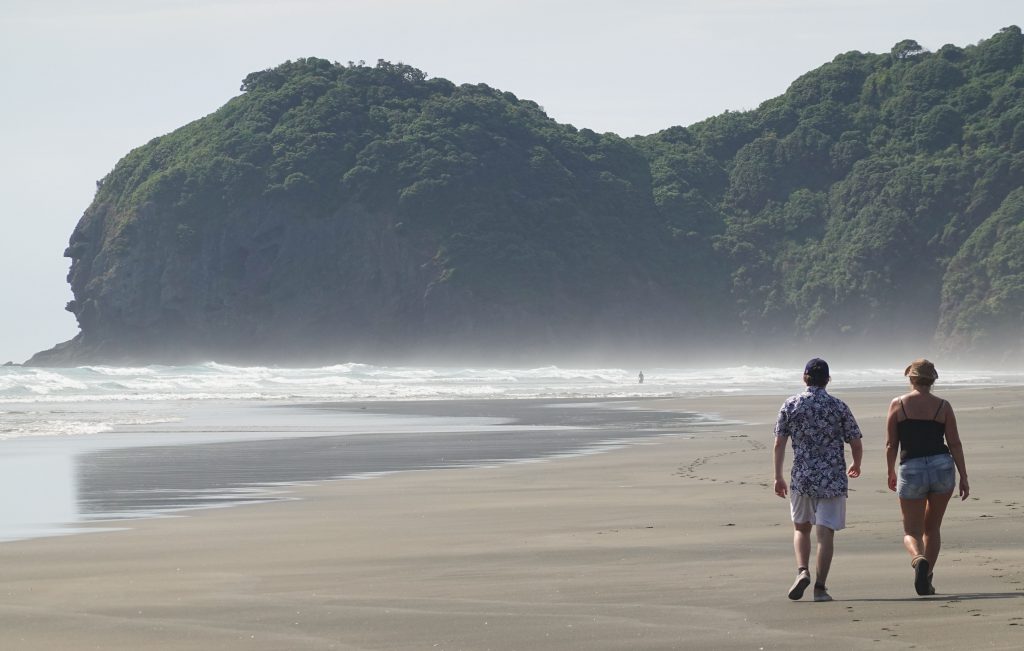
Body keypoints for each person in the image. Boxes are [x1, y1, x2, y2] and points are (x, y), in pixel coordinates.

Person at [773, 358, 863, 602]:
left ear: (805, 377)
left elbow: (779, 443)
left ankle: (802, 571)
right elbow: (855, 441)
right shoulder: (838, 406)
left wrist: (778, 476)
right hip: (832, 477)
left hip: (802, 476)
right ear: (828, 380)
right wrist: (856, 463)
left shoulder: (791, 404)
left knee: (801, 528)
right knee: (826, 534)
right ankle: (820, 588)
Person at [885, 359, 969, 596]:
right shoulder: (943, 406)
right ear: (932, 381)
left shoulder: (898, 404)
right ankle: (927, 578)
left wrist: (890, 471)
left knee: (911, 531)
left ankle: (918, 559)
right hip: (942, 466)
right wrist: (963, 476)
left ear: (911, 379)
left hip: (911, 468)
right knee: (932, 528)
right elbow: (954, 443)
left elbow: (892, 443)